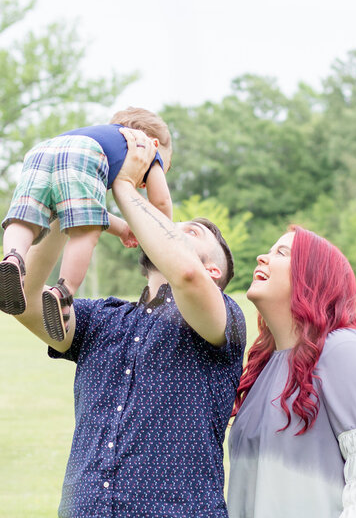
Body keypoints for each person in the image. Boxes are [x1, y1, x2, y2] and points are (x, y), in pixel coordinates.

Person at [13, 128, 246, 518]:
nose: (166, 232)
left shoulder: (223, 319)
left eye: (187, 232)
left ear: (213, 269)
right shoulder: (103, 318)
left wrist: (123, 183)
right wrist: (68, 207)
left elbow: (187, 275)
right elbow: (25, 304)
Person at [227, 225, 356, 518]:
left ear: (312, 277)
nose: (261, 257)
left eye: (281, 252)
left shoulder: (343, 348)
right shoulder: (262, 369)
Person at [0, 107, 173, 342]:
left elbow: (87, 209)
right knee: (83, 234)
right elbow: (160, 203)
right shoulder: (144, 147)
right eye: (165, 167)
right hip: (86, 156)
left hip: (40, 151)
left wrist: (123, 229)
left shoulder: (98, 135)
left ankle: (13, 259)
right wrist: (165, 238)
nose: (143, 185)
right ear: (156, 143)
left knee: (25, 219)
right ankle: (63, 293)